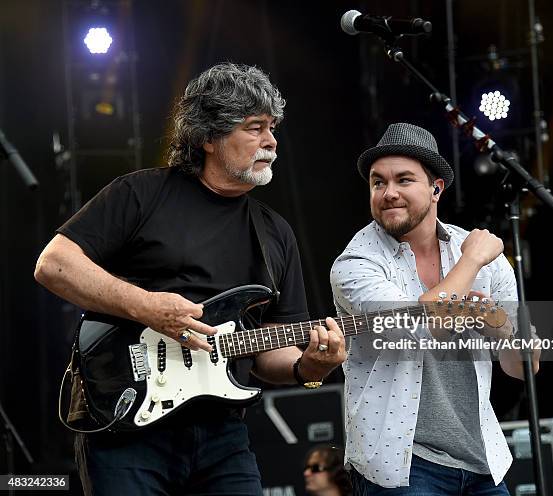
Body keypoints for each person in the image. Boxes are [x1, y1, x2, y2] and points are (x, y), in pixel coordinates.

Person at [34, 62, 345, 496]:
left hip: (223, 434)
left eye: (272, 127)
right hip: (127, 424)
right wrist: (147, 306)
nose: (271, 142)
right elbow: (54, 264)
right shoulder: (141, 193)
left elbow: (271, 350)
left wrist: (309, 367)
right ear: (208, 137)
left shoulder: (275, 233)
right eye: (254, 127)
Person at [330, 123, 540, 495]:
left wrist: (500, 328)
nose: (388, 193)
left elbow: (524, 368)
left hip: (481, 460)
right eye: (378, 183)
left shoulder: (482, 256)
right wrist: (471, 262)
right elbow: (418, 329)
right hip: (401, 464)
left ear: (436, 187)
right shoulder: (355, 263)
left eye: (404, 180)